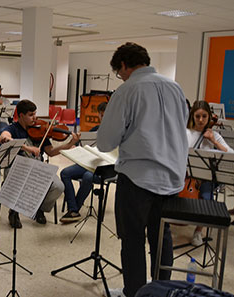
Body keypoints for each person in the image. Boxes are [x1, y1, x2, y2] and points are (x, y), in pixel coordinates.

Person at [96, 42, 189, 297]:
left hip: (138, 179)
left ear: (124, 65)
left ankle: (134, 293)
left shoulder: (127, 91)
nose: (121, 76)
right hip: (172, 177)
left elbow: (105, 142)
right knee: (162, 238)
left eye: (119, 72)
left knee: (133, 239)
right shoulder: (175, 87)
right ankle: (163, 292)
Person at [0, 99, 80, 228]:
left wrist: (69, 144)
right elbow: (4, 137)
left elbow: (51, 152)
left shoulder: (40, 130)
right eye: (31, 115)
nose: (35, 117)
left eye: (35, 114)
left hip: (38, 167)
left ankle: (39, 209)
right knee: (16, 182)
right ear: (21, 115)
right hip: (18, 168)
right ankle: (13, 211)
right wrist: (27, 148)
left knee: (58, 186)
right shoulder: (13, 128)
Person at [186, 100, 233, 246]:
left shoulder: (215, 135)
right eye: (197, 116)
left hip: (206, 178)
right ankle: (164, 225)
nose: (201, 120)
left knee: (206, 197)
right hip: (186, 175)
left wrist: (214, 141)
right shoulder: (186, 132)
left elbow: (231, 154)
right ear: (192, 116)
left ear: (209, 117)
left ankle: (198, 231)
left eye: (204, 116)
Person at [59, 101, 107, 223]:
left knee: (87, 176)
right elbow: (81, 145)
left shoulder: (117, 133)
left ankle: (74, 210)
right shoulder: (95, 130)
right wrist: (76, 143)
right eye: (101, 115)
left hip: (105, 167)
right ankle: (73, 209)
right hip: (89, 163)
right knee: (65, 173)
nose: (103, 118)